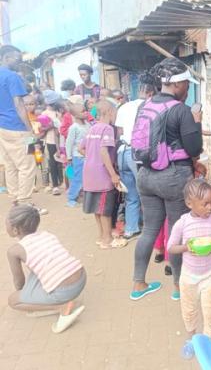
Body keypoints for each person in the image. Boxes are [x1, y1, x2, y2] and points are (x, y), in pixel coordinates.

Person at [131, 58, 202, 301]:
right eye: (187, 84)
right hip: (173, 177)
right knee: (177, 231)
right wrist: (197, 121)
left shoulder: (145, 105)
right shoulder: (181, 110)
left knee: (149, 229)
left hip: (146, 175)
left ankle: (139, 283)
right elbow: (194, 148)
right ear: (179, 83)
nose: (187, 89)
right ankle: (178, 287)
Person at [167, 179, 211, 358]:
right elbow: (171, 247)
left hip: (209, 275)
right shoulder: (182, 223)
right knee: (189, 309)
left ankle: (209, 341)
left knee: (210, 311)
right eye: (205, 204)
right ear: (189, 204)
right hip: (189, 276)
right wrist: (187, 247)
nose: (210, 208)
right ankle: (192, 339)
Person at [6, 203, 86, 333]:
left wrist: (25, 296)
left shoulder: (14, 251)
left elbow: (19, 281)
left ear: (15, 230)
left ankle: (61, 307)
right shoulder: (47, 234)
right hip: (81, 277)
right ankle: (54, 300)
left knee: (13, 301)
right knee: (39, 269)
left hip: (65, 290)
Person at [79, 100, 127, 249]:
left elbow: (81, 148)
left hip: (89, 173)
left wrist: (92, 157)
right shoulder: (107, 129)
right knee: (105, 208)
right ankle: (107, 239)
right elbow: (103, 151)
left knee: (96, 208)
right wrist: (113, 174)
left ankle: (101, 236)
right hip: (102, 174)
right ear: (110, 112)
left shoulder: (92, 128)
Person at [115, 74, 156, 239]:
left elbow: (119, 132)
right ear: (152, 93)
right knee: (147, 193)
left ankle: (131, 229)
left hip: (122, 152)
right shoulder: (151, 107)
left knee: (131, 194)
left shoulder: (124, 107)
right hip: (138, 155)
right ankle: (150, 229)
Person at [0, 45, 38, 206]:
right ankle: (24, 201)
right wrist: (30, 130)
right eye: (17, 59)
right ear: (7, 57)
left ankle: (15, 198)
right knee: (27, 164)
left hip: (3, 127)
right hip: (18, 127)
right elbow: (19, 104)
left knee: (10, 164)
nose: (19, 62)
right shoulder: (12, 77)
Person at [65, 97, 90, 207]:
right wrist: (69, 157)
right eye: (82, 111)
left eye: (85, 110)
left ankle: (85, 196)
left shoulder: (88, 125)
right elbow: (69, 143)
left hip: (87, 155)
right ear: (75, 115)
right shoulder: (73, 128)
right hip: (78, 156)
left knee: (87, 177)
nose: (85, 113)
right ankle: (71, 197)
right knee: (78, 178)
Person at [41, 90, 64, 195]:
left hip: (62, 140)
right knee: (53, 163)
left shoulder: (59, 112)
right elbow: (43, 129)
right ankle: (55, 184)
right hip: (51, 141)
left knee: (62, 162)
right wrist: (52, 125)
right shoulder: (44, 114)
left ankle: (63, 182)